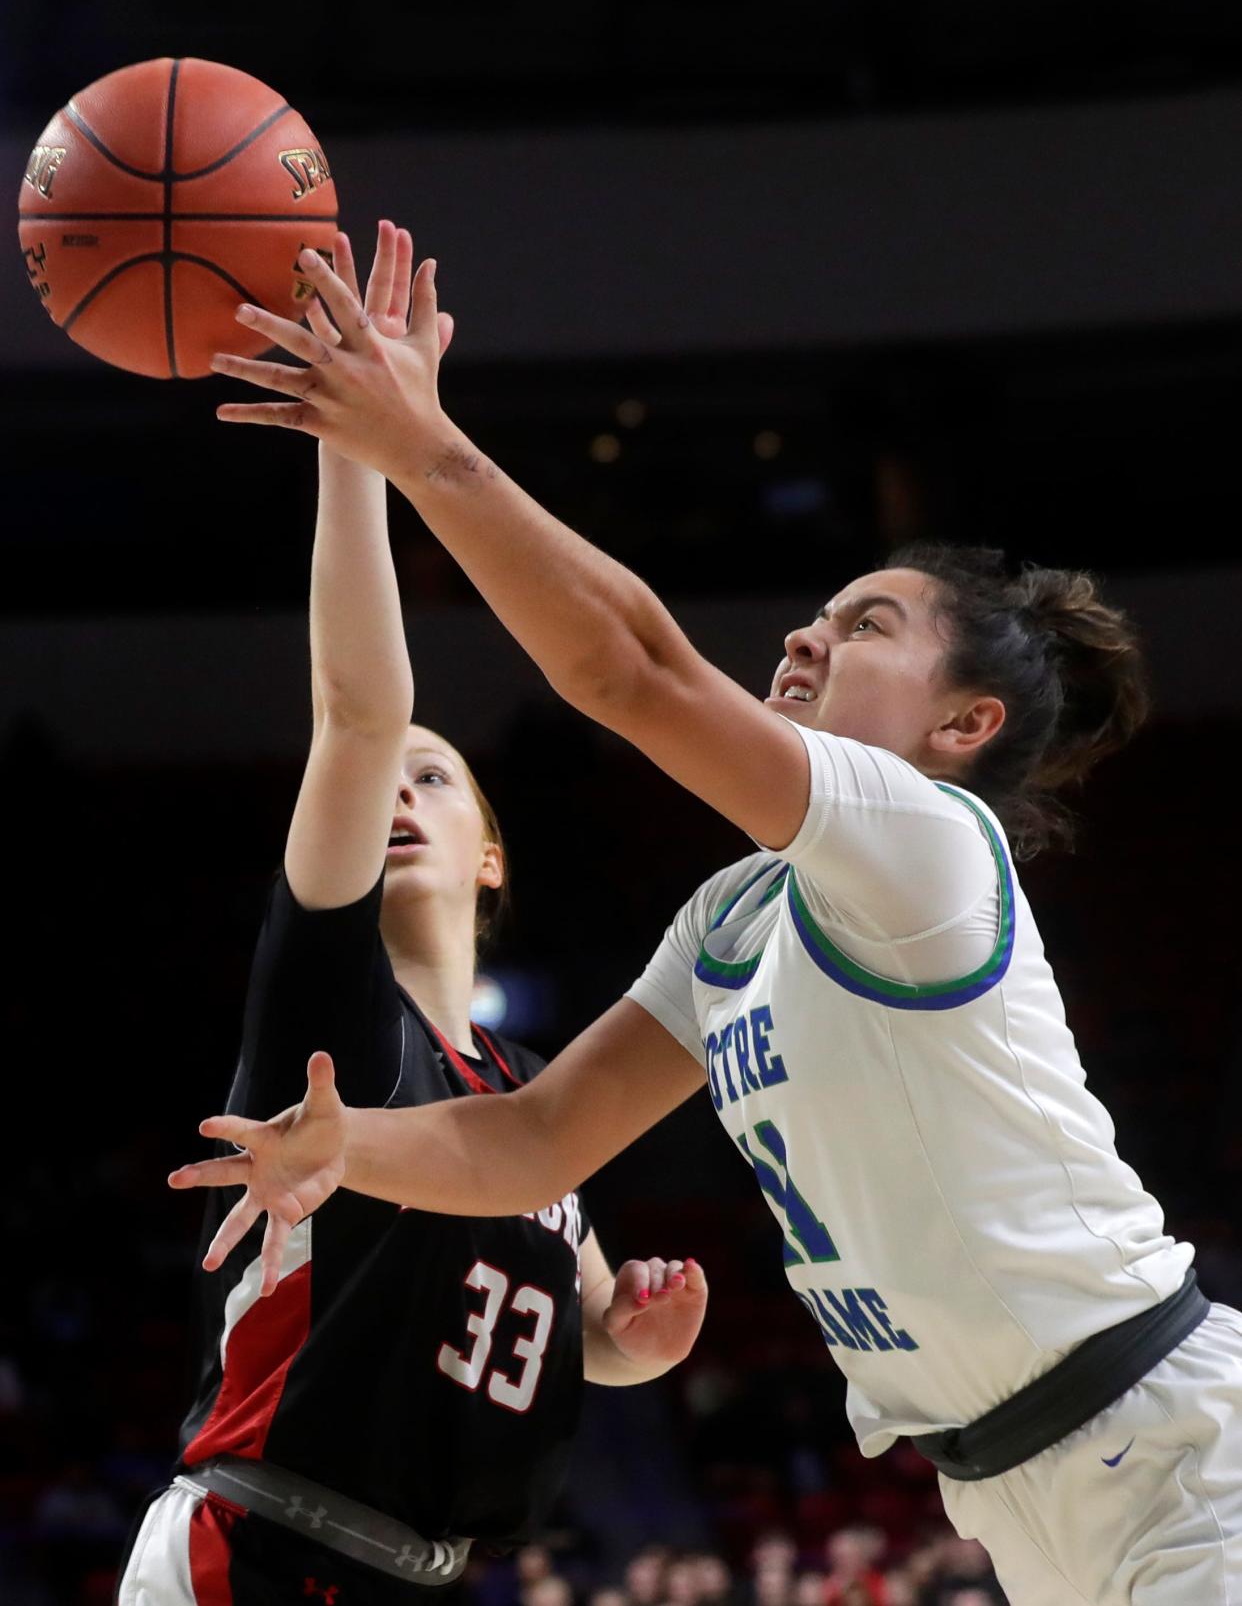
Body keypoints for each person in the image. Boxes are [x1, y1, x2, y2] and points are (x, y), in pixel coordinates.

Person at [172, 237, 1242, 1603]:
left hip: (1167, 1452)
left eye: (861, 625)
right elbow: (532, 1138)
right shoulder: (734, 913)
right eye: (811, 615)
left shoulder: (927, 841)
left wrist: (419, 441)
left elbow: (628, 668)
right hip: (1020, 1493)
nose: (802, 637)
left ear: (961, 725)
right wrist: (341, 1145)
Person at [123, 226, 708, 1605]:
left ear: (489, 854)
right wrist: (358, 440)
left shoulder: (524, 1108)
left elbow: (581, 1328)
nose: (393, 786)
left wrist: (640, 1338)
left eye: (432, 778)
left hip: (430, 1571)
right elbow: (355, 711)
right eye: (384, 777)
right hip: (256, 1548)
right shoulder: (329, 1004)